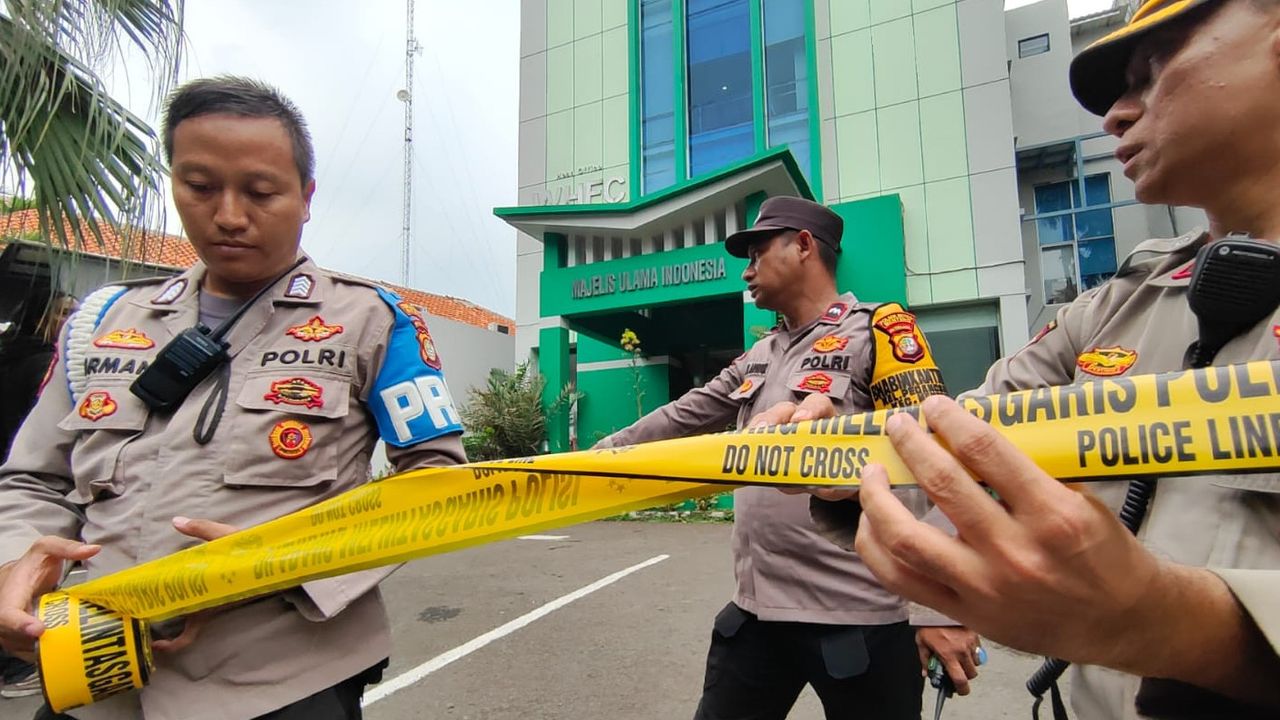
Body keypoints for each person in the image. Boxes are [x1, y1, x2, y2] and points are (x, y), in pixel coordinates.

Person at [812, 0, 1280, 715]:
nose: (1115, 116)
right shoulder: (1119, 299)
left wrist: (1180, 627)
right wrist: (833, 456)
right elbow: (962, 435)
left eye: (1151, 70)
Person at [0, 76, 467, 720]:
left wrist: (282, 565)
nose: (228, 215)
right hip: (94, 672)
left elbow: (437, 483)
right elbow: (34, 479)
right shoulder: (101, 321)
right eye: (199, 186)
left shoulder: (375, 322)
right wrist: (12, 564)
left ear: (306, 197)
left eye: (260, 191)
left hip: (282, 680)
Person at [594, 195, 981, 720]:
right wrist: (603, 455)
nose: (747, 272)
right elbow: (688, 413)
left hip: (858, 614)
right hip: (757, 614)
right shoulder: (761, 353)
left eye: (756, 254)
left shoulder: (878, 331)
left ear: (802, 246)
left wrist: (940, 606)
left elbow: (935, 461)